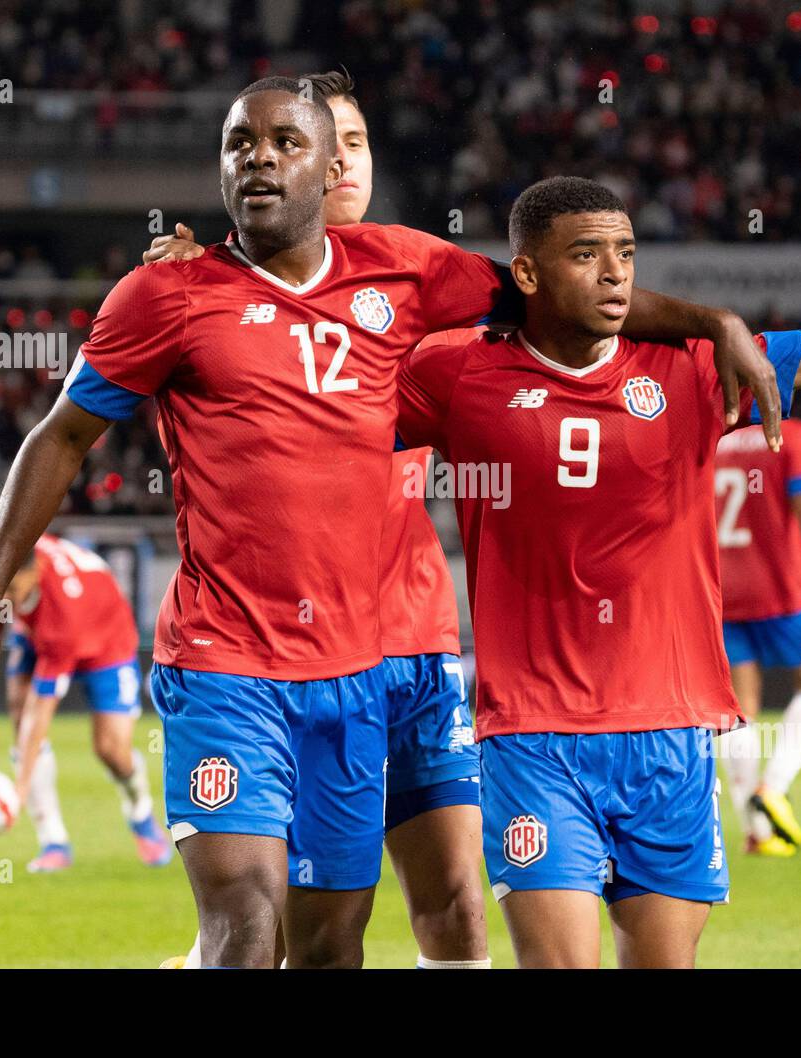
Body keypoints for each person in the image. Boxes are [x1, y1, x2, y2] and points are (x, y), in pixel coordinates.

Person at [0, 75, 786, 969]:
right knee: (247, 921)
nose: (259, 157)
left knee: (338, 942)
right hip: (225, 664)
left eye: (284, 143)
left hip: (357, 675)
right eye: (238, 144)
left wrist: (712, 323)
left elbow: (556, 294)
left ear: (330, 165)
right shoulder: (166, 296)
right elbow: (60, 437)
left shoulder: (407, 269)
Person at [395, 121, 801, 967]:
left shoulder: (694, 368)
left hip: (671, 736)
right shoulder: (454, 375)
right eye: (586, 254)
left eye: (625, 251)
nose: (616, 271)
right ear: (527, 273)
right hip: (532, 736)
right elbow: (327, 388)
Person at [148, 71, 487, 970]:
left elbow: (558, 329)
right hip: (271, 650)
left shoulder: (418, 284)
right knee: (265, 923)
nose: (339, 161)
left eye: (356, 143)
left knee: (453, 901)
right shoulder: (208, 291)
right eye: (311, 141)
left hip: (412, 637)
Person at [714, 417, 801, 855]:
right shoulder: (789, 434)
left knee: (740, 709)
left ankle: (757, 832)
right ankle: (773, 788)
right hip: (782, 594)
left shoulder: (710, 429)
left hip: (720, 591)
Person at [1, 534, 172, 871]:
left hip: (107, 641)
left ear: (34, 574)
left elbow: (43, 710)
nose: (4, 601)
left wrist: (18, 787)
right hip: (43, 624)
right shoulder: (5, 547)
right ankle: (54, 841)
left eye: (11, 592)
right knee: (19, 714)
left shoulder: (61, 619)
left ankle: (141, 817)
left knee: (110, 750)